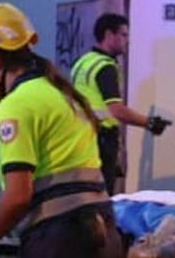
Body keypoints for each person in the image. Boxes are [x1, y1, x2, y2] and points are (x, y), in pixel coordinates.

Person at [0, 2, 125, 258]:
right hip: (103, 238)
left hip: (60, 245)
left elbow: (18, 198)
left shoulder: (16, 103)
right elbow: (56, 164)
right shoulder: (59, 92)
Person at [70, 13, 169, 195]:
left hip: (81, 137)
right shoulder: (105, 67)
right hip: (101, 138)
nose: (127, 41)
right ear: (109, 35)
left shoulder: (83, 62)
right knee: (102, 195)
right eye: (123, 35)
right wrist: (149, 123)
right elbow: (116, 111)